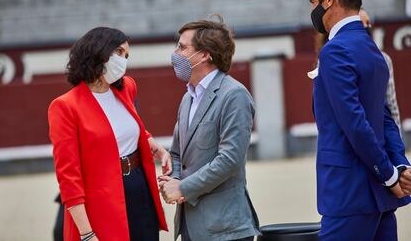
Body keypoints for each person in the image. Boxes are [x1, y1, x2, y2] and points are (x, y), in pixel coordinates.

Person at [309, 0, 411, 240]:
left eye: (313, 2)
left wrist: (390, 174)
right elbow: (385, 117)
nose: (313, 10)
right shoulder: (371, 50)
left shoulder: (334, 50)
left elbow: (354, 123)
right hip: (379, 195)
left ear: (329, 0)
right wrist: (400, 165)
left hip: (349, 193)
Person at [48, 27, 169, 241]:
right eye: (119, 53)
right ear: (98, 51)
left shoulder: (127, 87)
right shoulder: (65, 106)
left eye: (127, 56)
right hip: (101, 200)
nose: (124, 61)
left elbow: (127, 125)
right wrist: (86, 233)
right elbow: (68, 176)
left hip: (140, 188)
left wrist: (154, 144)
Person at [158, 15, 260, 241]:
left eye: (183, 48)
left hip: (224, 229)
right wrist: (174, 180)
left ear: (204, 54)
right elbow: (177, 152)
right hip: (191, 226)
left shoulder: (234, 95)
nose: (176, 54)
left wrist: (183, 188)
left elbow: (230, 160)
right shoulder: (188, 97)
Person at [358, 9, 402, 130]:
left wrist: (397, 139)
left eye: (368, 23)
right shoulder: (337, 58)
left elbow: (391, 104)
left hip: (380, 130)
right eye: (362, 24)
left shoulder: (384, 59)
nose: (367, 27)